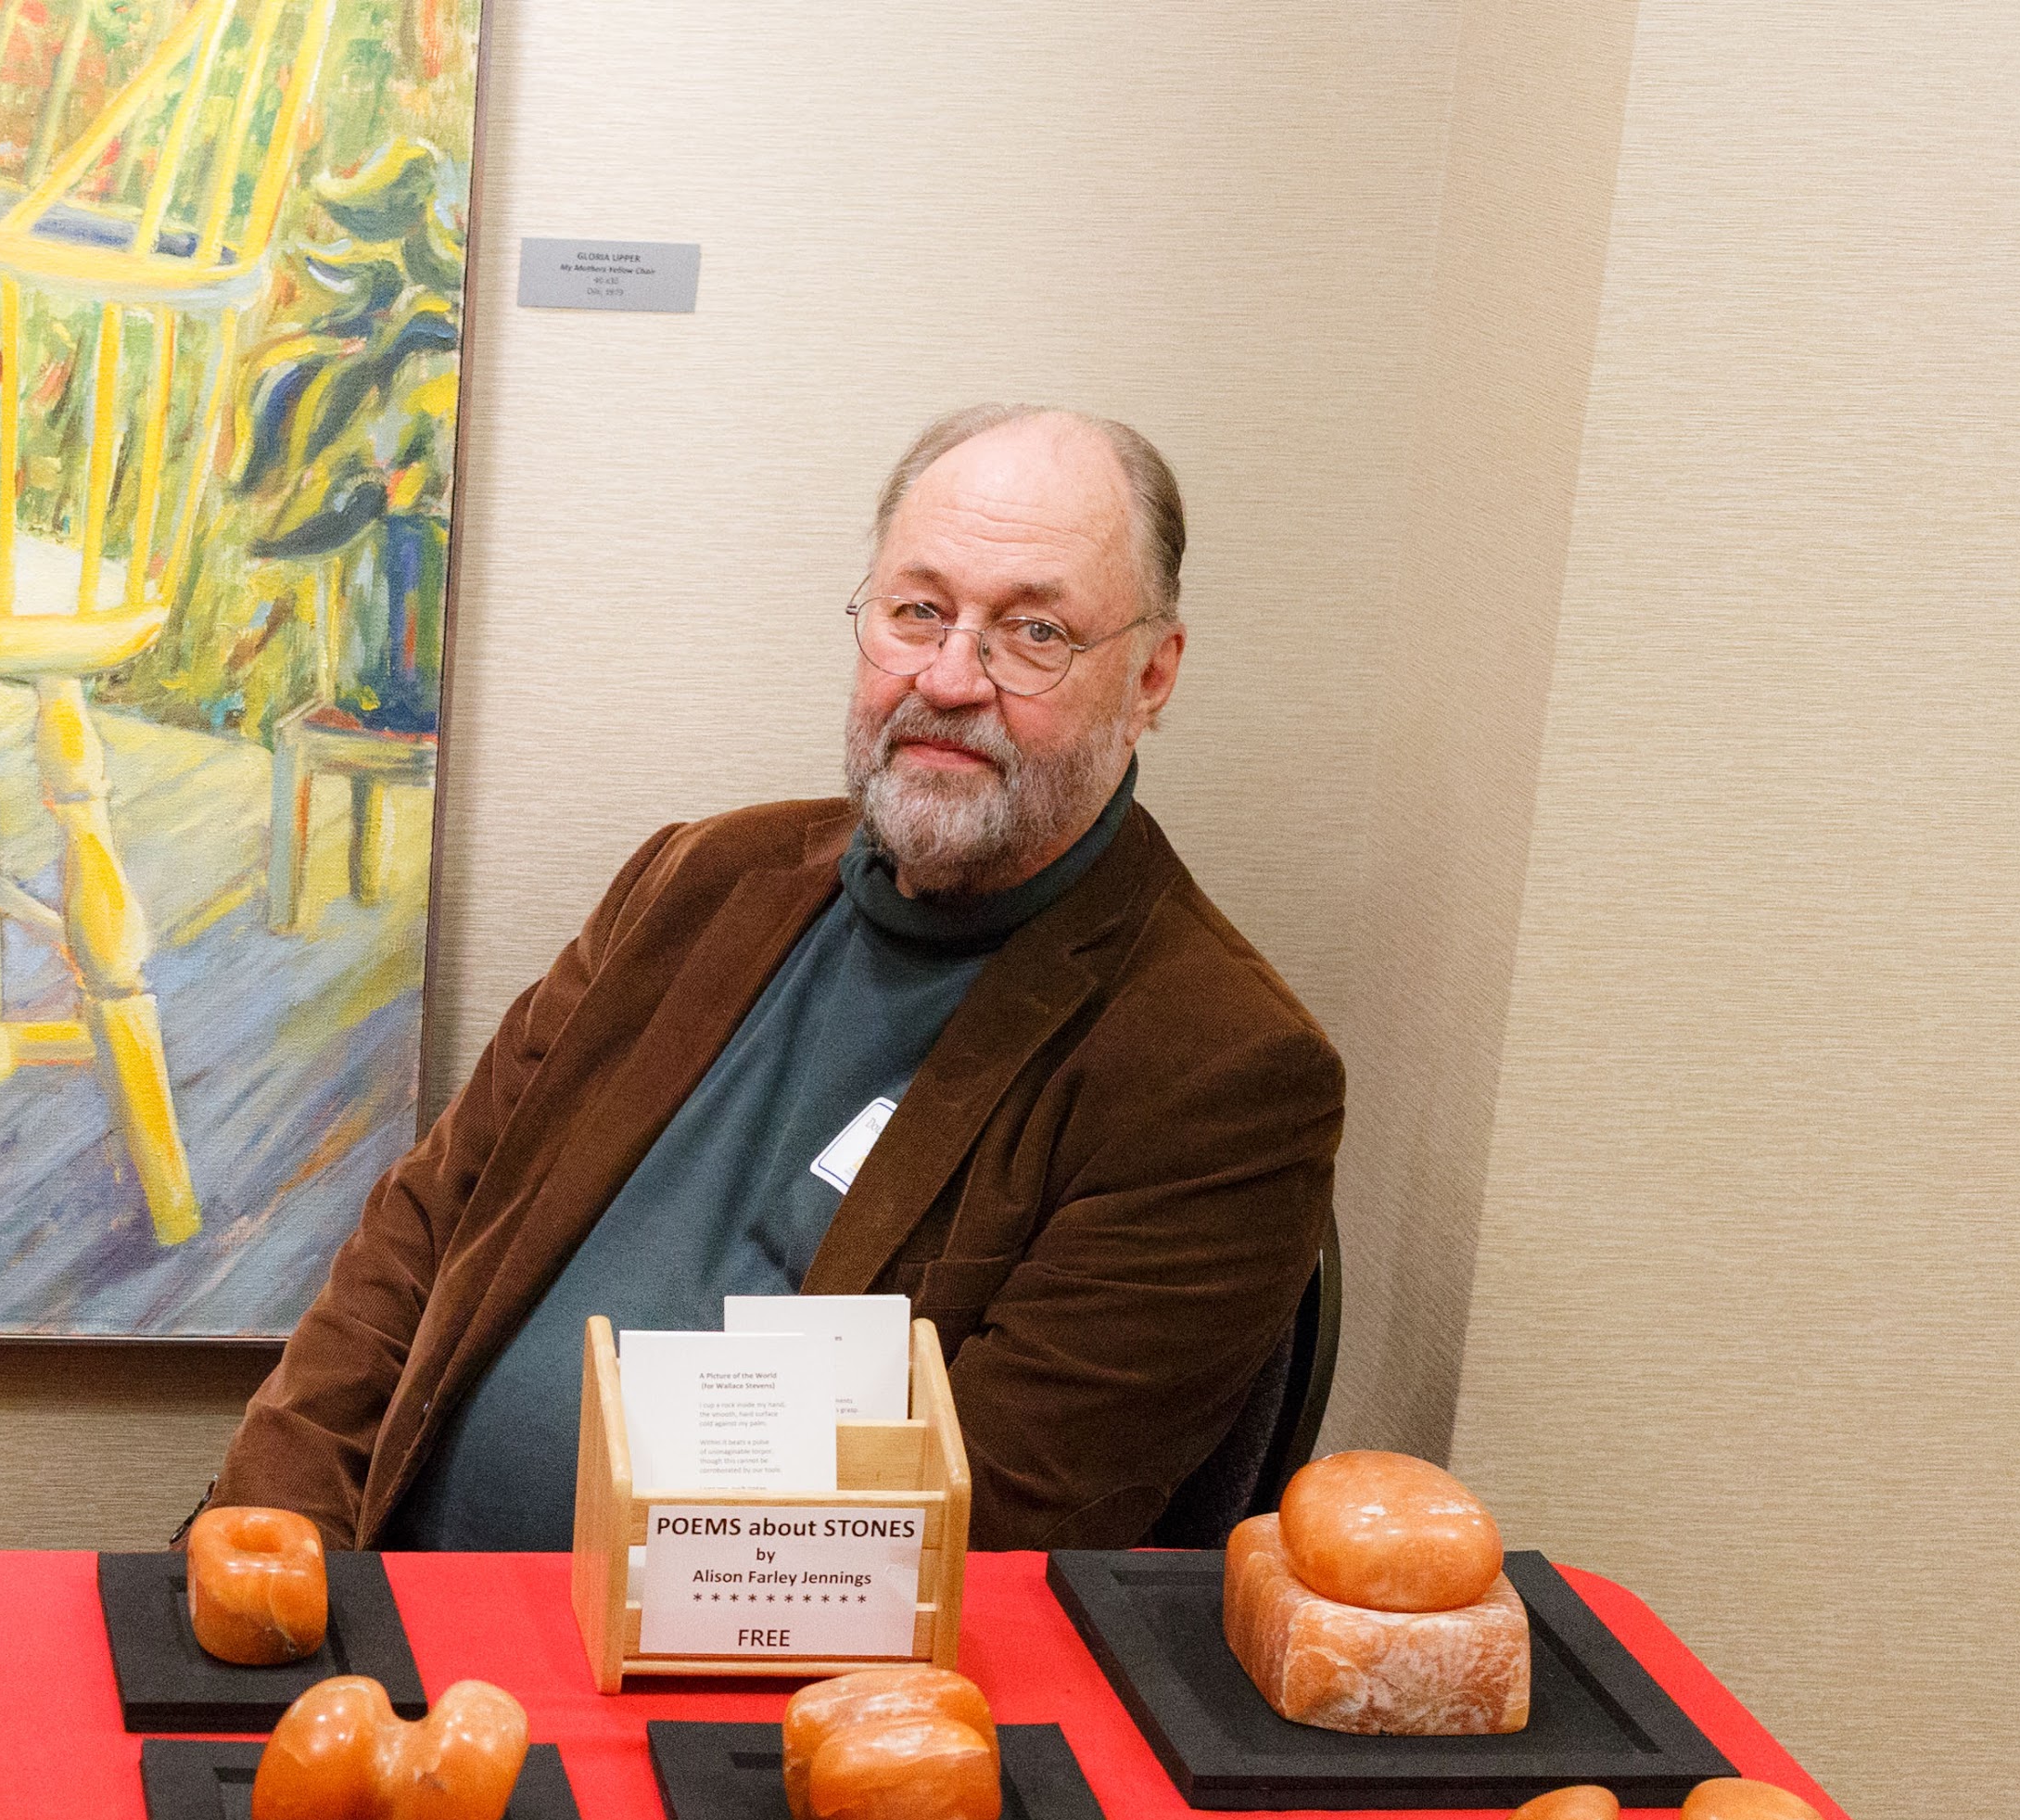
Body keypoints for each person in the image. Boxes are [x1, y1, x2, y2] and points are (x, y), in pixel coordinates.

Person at [215, 404, 1345, 1552]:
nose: (948, 678)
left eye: (1033, 632)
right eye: (917, 612)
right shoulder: (696, 879)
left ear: (1151, 677)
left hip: (723, 1708)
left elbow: (966, 1547)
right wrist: (270, 1552)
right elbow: (420, 1235)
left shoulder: (1218, 1076)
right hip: (373, 1624)